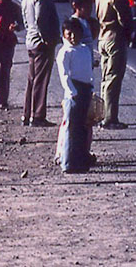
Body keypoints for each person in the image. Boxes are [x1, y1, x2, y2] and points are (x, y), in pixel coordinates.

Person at [20, 0, 60, 127]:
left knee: (32, 79)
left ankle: (27, 113)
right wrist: (47, 38)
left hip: (31, 40)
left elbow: (26, 19)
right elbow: (41, 19)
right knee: (41, 80)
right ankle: (37, 116)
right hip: (41, 42)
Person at [95, 0, 133, 129]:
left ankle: (103, 114)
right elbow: (125, 20)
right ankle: (110, 118)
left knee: (104, 78)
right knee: (113, 80)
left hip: (102, 37)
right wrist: (129, 35)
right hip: (114, 38)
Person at [54, 18, 95, 173]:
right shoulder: (65, 52)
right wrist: (72, 92)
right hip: (73, 93)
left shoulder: (84, 49)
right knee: (71, 128)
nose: (72, 37)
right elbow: (64, 75)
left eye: (75, 33)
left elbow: (88, 70)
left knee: (83, 128)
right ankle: (67, 162)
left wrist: (91, 87)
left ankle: (81, 161)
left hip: (86, 90)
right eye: (69, 34)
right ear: (64, 35)